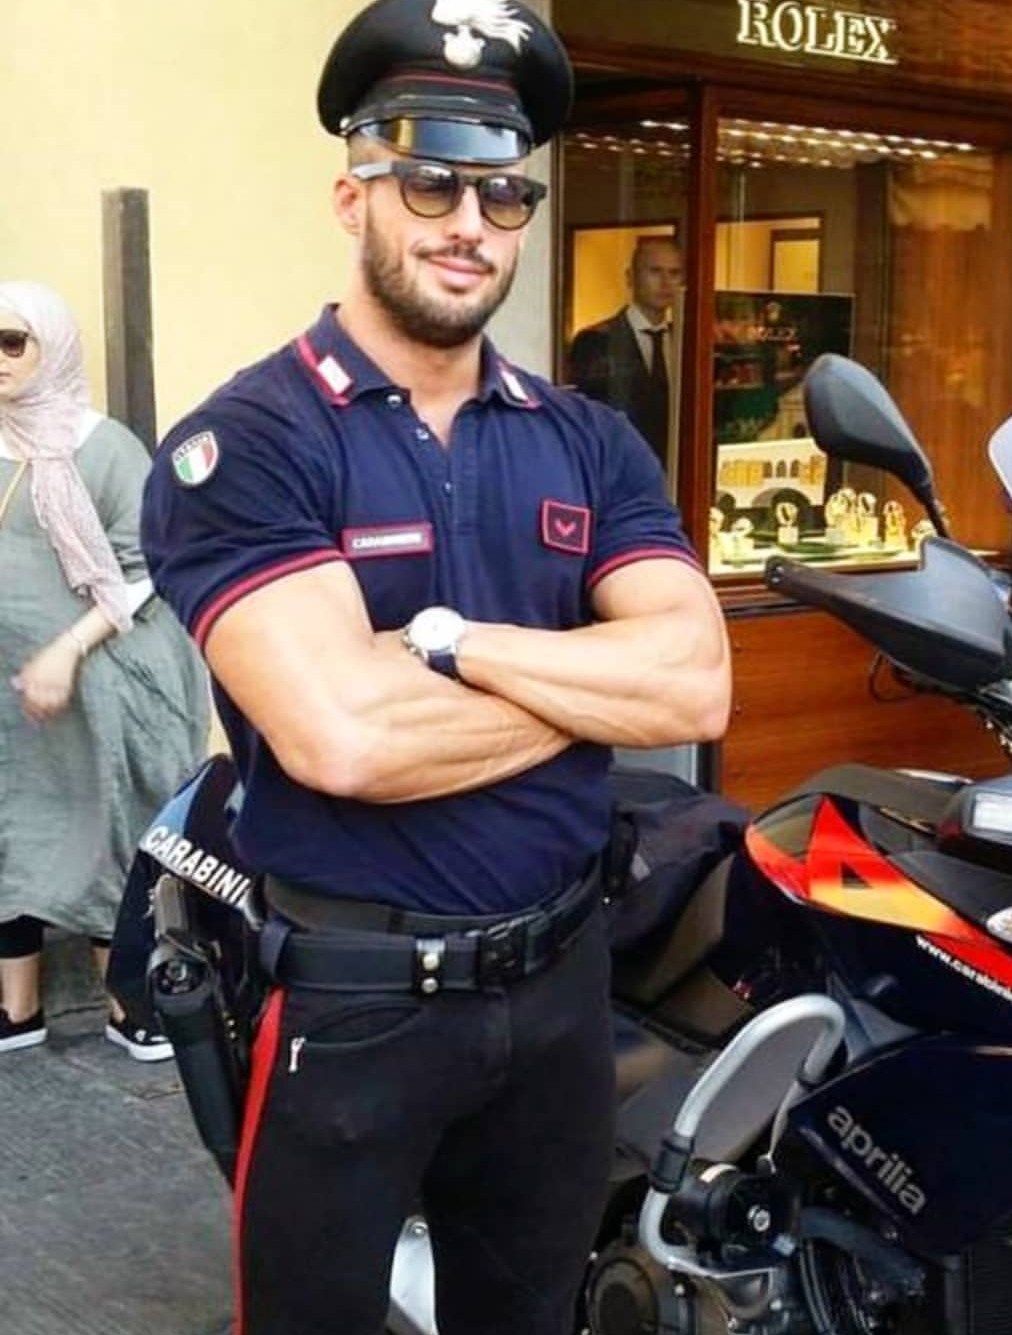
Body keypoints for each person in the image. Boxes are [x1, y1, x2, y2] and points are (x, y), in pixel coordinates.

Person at [141, 1, 730, 1330]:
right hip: (352, 1006)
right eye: (430, 182)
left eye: (506, 194)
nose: (472, 222)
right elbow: (346, 737)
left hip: (564, 989)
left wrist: (455, 648)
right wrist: (593, 682)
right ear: (352, 194)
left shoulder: (587, 439)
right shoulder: (249, 443)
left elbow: (694, 685)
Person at [0, 281, 209, 1059]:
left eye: (12, 341)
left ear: (52, 345)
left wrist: (66, 649)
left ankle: (127, 1004)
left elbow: (146, 564)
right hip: (12, 686)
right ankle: (16, 1008)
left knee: (103, 827)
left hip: (100, 677)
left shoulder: (103, 446)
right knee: (11, 830)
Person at [567, 235, 684, 468]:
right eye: (655, 271)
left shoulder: (685, 340)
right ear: (631, 277)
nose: (665, 283)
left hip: (677, 468)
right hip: (618, 468)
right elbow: (586, 417)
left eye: (674, 273)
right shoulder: (596, 341)